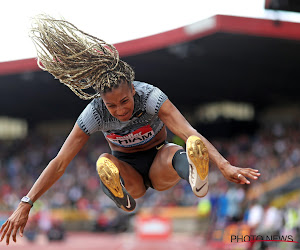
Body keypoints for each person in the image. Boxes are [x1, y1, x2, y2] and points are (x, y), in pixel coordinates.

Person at [0, 15, 260, 245]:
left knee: (177, 148)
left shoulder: (151, 97)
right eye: (112, 106)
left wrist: (224, 165)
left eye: (124, 101)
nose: (120, 110)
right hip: (127, 170)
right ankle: (120, 195)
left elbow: (189, 130)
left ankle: (195, 175)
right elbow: (60, 162)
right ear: (102, 102)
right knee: (104, 161)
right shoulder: (94, 112)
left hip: (159, 159)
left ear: (133, 89)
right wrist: (26, 202)